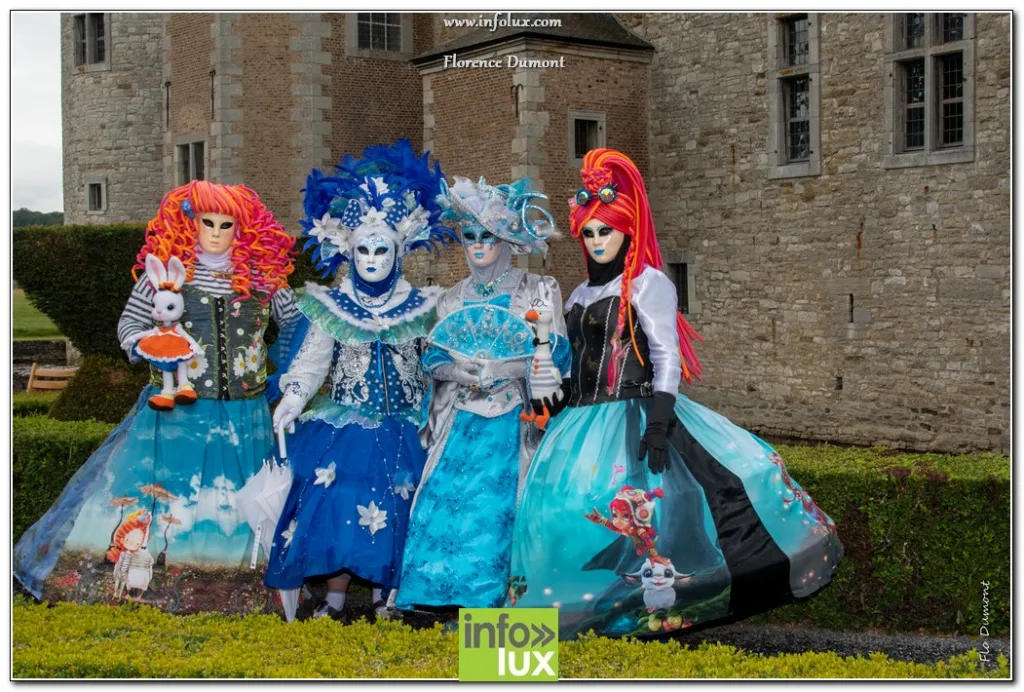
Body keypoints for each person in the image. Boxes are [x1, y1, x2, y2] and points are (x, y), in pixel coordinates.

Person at [506, 149, 844, 640]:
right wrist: (546, 397)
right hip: (581, 422)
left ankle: (649, 617)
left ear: (626, 231)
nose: (599, 241)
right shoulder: (578, 295)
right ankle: (565, 623)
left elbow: (664, 356)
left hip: (639, 412)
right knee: (561, 512)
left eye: (607, 231)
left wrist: (660, 423)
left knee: (659, 515)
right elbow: (576, 369)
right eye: (591, 233)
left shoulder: (647, 284)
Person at [13, 181, 298, 613]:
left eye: (227, 224)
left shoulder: (266, 280)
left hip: (244, 416)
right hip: (177, 414)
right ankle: (152, 586)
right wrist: (152, 347)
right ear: (189, 222)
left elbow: (297, 327)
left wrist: (283, 372)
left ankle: (237, 590)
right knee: (166, 499)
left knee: (241, 503)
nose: (217, 233)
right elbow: (129, 327)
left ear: (244, 227)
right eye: (208, 223)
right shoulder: (164, 275)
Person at [263, 140, 455, 621]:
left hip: (408, 424)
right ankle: (333, 600)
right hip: (345, 425)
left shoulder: (424, 305)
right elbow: (311, 362)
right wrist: (292, 397)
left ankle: (386, 600)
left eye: (381, 249)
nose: (372, 258)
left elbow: (440, 362)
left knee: (403, 495)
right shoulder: (335, 306)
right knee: (336, 494)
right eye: (363, 249)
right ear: (348, 251)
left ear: (399, 250)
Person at [391, 177, 569, 613]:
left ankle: (488, 600)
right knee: (443, 502)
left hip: (514, 420)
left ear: (507, 239)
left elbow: (555, 355)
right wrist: (461, 369)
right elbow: (432, 357)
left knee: (495, 511)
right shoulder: (452, 299)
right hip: (460, 419)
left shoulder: (537, 290)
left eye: (486, 236)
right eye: (469, 236)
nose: (476, 245)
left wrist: (505, 367)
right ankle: (435, 598)